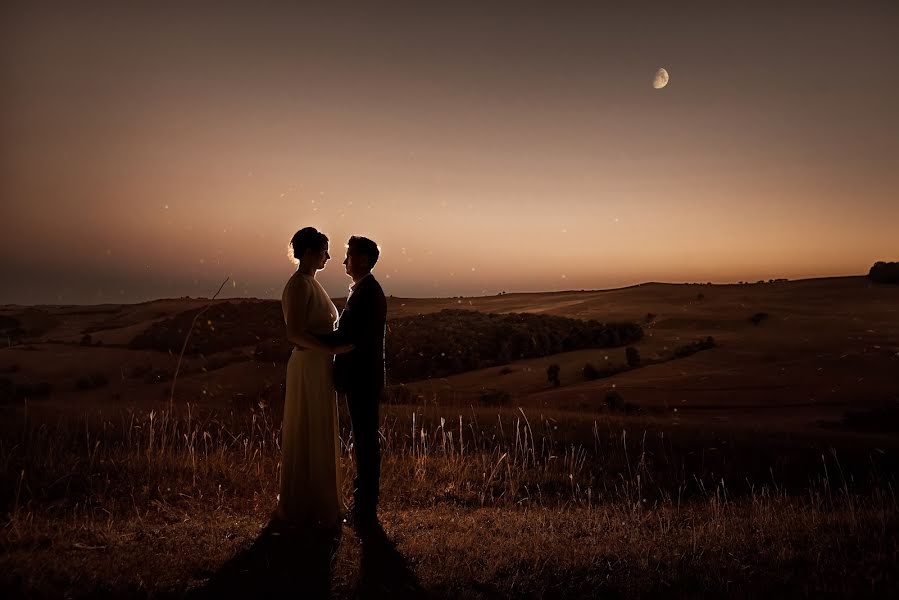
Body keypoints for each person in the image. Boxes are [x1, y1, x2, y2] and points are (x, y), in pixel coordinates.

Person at [275, 227, 352, 528]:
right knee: (308, 426)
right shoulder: (298, 286)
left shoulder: (310, 283)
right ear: (309, 252)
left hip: (318, 365)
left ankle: (320, 499)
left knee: (318, 426)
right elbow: (294, 333)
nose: (329, 257)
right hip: (308, 365)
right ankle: (305, 502)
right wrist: (334, 348)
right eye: (324, 251)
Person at [319, 236, 388, 529]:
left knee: (365, 443)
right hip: (363, 377)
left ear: (362, 260)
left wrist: (306, 341)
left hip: (362, 378)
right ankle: (364, 507)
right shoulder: (364, 291)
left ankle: (365, 509)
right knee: (364, 441)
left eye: (348, 256)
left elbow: (348, 336)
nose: (344, 261)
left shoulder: (367, 293)